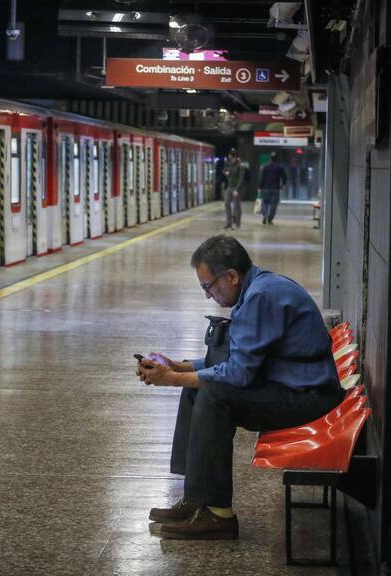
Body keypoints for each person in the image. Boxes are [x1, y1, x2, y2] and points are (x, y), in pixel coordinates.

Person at [136, 235, 342, 540]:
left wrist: (172, 379)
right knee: (198, 388)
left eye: (209, 286)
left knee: (215, 394)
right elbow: (239, 359)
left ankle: (218, 515)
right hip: (290, 386)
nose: (208, 296)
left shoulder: (261, 298)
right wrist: (180, 367)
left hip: (308, 398)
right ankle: (197, 498)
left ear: (231, 276)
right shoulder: (258, 289)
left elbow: (238, 374)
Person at [258, 151, 287, 225]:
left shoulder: (265, 167)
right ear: (277, 159)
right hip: (275, 188)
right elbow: (284, 176)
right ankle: (270, 219)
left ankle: (265, 215)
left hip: (266, 188)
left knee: (265, 202)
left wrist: (260, 187)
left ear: (270, 158)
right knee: (273, 205)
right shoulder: (279, 167)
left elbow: (262, 178)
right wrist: (282, 185)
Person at [223, 149, 245, 230]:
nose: (230, 160)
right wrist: (226, 172)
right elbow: (224, 170)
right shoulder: (228, 163)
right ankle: (228, 223)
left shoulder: (241, 165)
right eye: (229, 158)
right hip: (229, 186)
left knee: (236, 206)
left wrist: (237, 189)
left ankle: (237, 224)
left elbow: (241, 178)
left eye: (231, 158)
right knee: (227, 203)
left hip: (237, 188)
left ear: (235, 157)